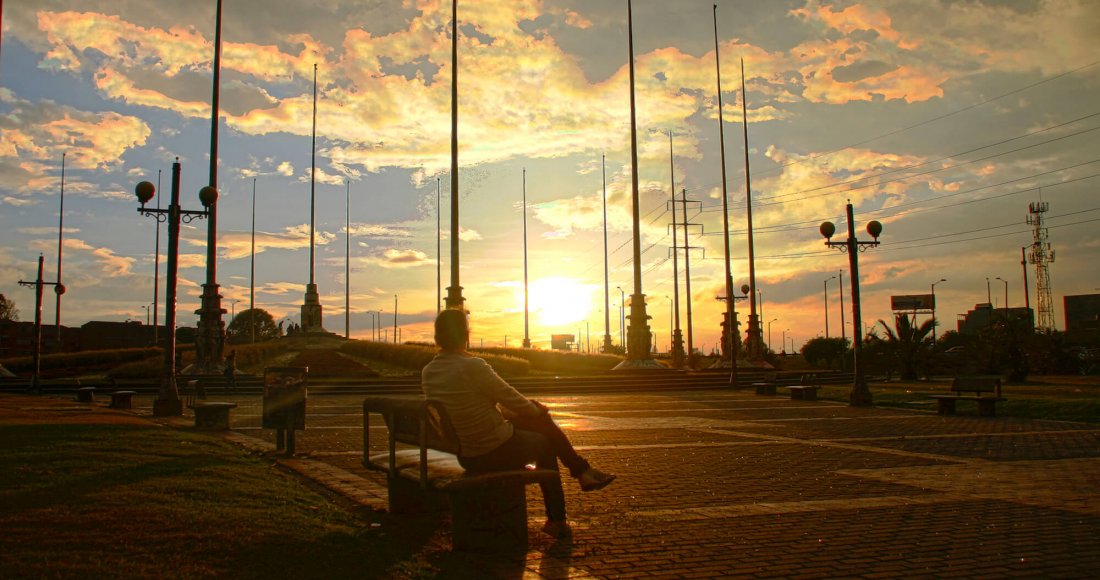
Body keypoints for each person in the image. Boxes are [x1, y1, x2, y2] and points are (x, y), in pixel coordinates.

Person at [421, 308, 615, 538]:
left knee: (539, 422)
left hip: (467, 453)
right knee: (544, 440)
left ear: (438, 336)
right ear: (465, 334)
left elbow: (478, 406)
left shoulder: (429, 371)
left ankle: (581, 474)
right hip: (492, 449)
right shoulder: (472, 366)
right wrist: (535, 410)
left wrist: (524, 413)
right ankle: (561, 510)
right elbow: (510, 397)